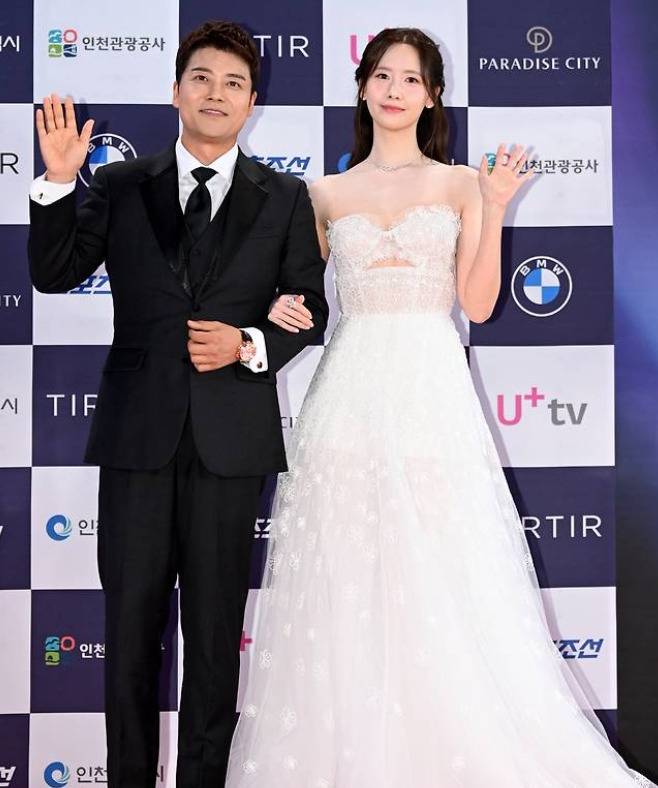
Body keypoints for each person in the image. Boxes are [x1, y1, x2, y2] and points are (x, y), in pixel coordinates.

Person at [225, 27, 654, 787]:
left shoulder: (460, 184)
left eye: (411, 79)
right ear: (363, 87)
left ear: (431, 96)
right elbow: (297, 298)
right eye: (382, 76)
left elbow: (478, 304)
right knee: (346, 580)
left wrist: (495, 205)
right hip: (346, 400)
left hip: (430, 395)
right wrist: (273, 311)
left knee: (443, 574)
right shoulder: (322, 195)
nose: (395, 90)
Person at [27, 20, 328, 788]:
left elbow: (309, 308)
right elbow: (55, 272)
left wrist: (248, 343)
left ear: (252, 102)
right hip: (137, 440)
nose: (216, 94)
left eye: (233, 83)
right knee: (130, 635)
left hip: (232, 444)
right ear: (175, 92)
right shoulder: (121, 184)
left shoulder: (285, 197)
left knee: (215, 639)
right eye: (202, 79)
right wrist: (58, 181)